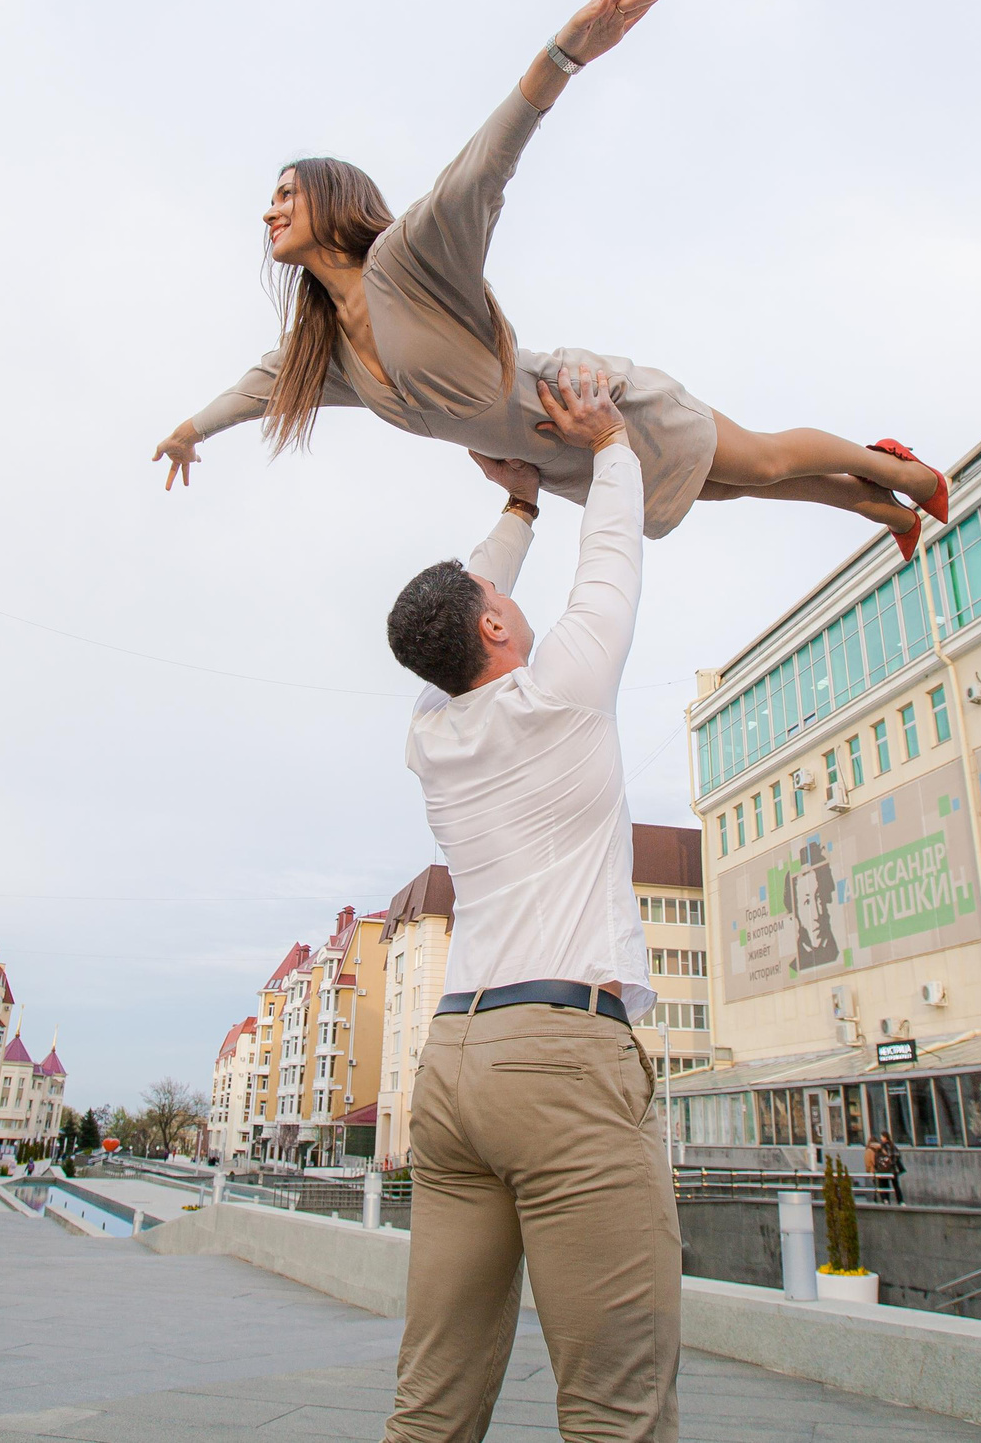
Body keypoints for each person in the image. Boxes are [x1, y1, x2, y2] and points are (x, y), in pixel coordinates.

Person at [154, 0, 951, 559]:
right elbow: (252, 393)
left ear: (333, 199)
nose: (269, 211)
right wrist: (189, 434)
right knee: (725, 486)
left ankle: (904, 474)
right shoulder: (325, 355)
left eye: (286, 194)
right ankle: (878, 507)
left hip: (584, 401)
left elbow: (482, 164)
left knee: (763, 459)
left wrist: (565, 53)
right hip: (561, 455)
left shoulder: (407, 260)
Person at [379, 367, 676, 1442]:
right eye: (498, 601)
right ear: (497, 628)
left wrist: (516, 507)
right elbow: (613, 559)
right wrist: (609, 444)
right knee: (613, 1405)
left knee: (432, 1401)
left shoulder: (433, 735)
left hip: (455, 1065)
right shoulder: (562, 694)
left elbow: (461, 605)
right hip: (559, 1058)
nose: (506, 600)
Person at [789, 842, 841, 973]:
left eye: (818, 898)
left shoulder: (838, 952)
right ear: (795, 915)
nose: (816, 914)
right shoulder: (795, 967)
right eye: (807, 902)